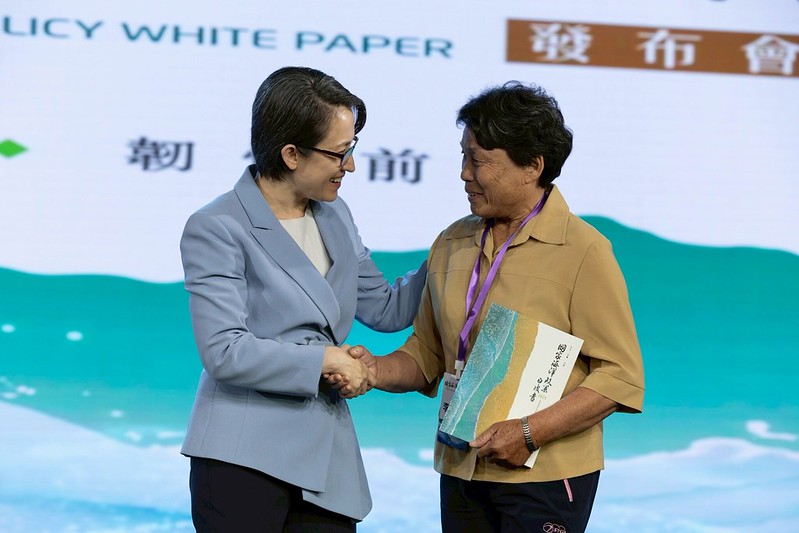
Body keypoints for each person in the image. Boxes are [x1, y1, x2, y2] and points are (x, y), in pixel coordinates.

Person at [339, 82, 645, 532]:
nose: (464, 173)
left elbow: (620, 376)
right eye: (463, 157)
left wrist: (529, 433)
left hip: (545, 475)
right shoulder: (452, 241)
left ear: (532, 166)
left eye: (478, 160)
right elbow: (427, 355)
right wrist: (373, 370)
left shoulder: (584, 250)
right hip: (461, 465)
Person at [179, 66, 427, 532]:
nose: (349, 166)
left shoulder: (335, 214)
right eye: (339, 153)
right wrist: (326, 359)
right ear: (291, 154)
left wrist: (454, 252)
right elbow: (224, 351)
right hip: (242, 457)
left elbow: (385, 309)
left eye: (352, 148)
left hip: (324, 460)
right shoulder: (217, 226)